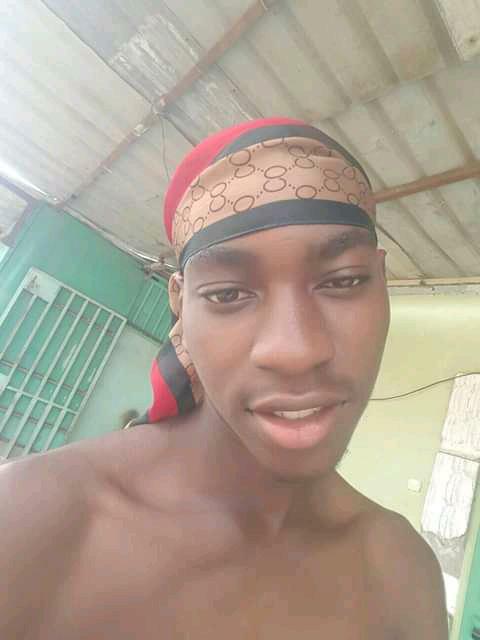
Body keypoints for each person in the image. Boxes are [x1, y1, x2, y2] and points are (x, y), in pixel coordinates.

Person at [0, 118, 448, 639]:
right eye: (228, 294)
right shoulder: (32, 522)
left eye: (344, 281)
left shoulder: (402, 574)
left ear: (382, 282)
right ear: (179, 304)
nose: (296, 352)